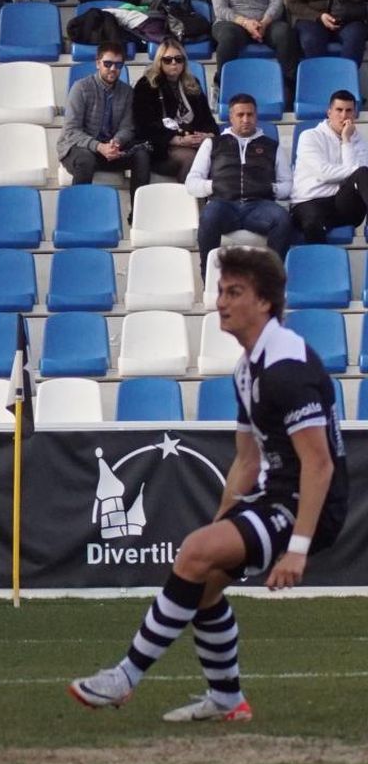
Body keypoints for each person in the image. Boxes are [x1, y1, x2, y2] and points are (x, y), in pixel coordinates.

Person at [69, 246, 349, 722]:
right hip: (276, 496)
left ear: (265, 302)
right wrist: (222, 524)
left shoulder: (287, 368)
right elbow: (246, 459)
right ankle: (227, 699)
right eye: (220, 291)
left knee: (195, 554)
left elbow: (319, 465)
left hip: (309, 504)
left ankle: (124, 678)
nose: (221, 302)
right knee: (200, 587)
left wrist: (298, 550)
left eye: (234, 292)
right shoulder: (247, 369)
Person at [185, 93, 294, 270]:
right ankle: (208, 274)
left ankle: (271, 276)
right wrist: (214, 185)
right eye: (240, 115)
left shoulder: (272, 146)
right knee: (208, 216)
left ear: (256, 116)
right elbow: (191, 183)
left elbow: (288, 184)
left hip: (259, 206)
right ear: (231, 117)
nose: (245, 119)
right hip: (223, 204)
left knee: (282, 219)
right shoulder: (213, 144)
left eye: (250, 114)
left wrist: (270, 188)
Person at [211, 0, 302, 108]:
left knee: (285, 33)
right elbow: (220, 9)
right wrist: (246, 23)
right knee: (228, 38)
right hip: (233, 22)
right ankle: (222, 86)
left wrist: (264, 22)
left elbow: (277, 2)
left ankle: (289, 88)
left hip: (265, 21)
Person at [57, 44, 153, 211]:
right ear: (98, 63)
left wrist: (116, 142)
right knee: (85, 159)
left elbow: (128, 127)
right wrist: (99, 147)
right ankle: (78, 213)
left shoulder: (127, 92)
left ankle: (138, 213)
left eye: (118, 64)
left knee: (142, 154)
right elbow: (71, 131)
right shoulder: (81, 88)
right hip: (78, 148)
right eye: (107, 64)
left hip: (111, 150)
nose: (113, 69)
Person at [131, 36, 218, 182]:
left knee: (218, 156)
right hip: (162, 148)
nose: (174, 63)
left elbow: (208, 120)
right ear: (159, 62)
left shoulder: (193, 83)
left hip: (194, 141)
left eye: (178, 59)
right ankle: (187, 197)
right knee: (191, 158)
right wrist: (178, 140)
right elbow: (143, 127)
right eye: (167, 60)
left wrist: (206, 135)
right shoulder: (147, 85)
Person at [290, 89, 368, 242]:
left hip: (342, 204)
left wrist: (346, 140)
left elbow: (360, 177)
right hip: (309, 202)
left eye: (349, 111)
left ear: (354, 114)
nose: (344, 116)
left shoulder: (359, 141)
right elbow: (324, 173)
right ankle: (317, 258)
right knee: (313, 222)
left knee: (363, 173)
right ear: (329, 113)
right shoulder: (309, 136)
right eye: (339, 110)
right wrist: (354, 171)